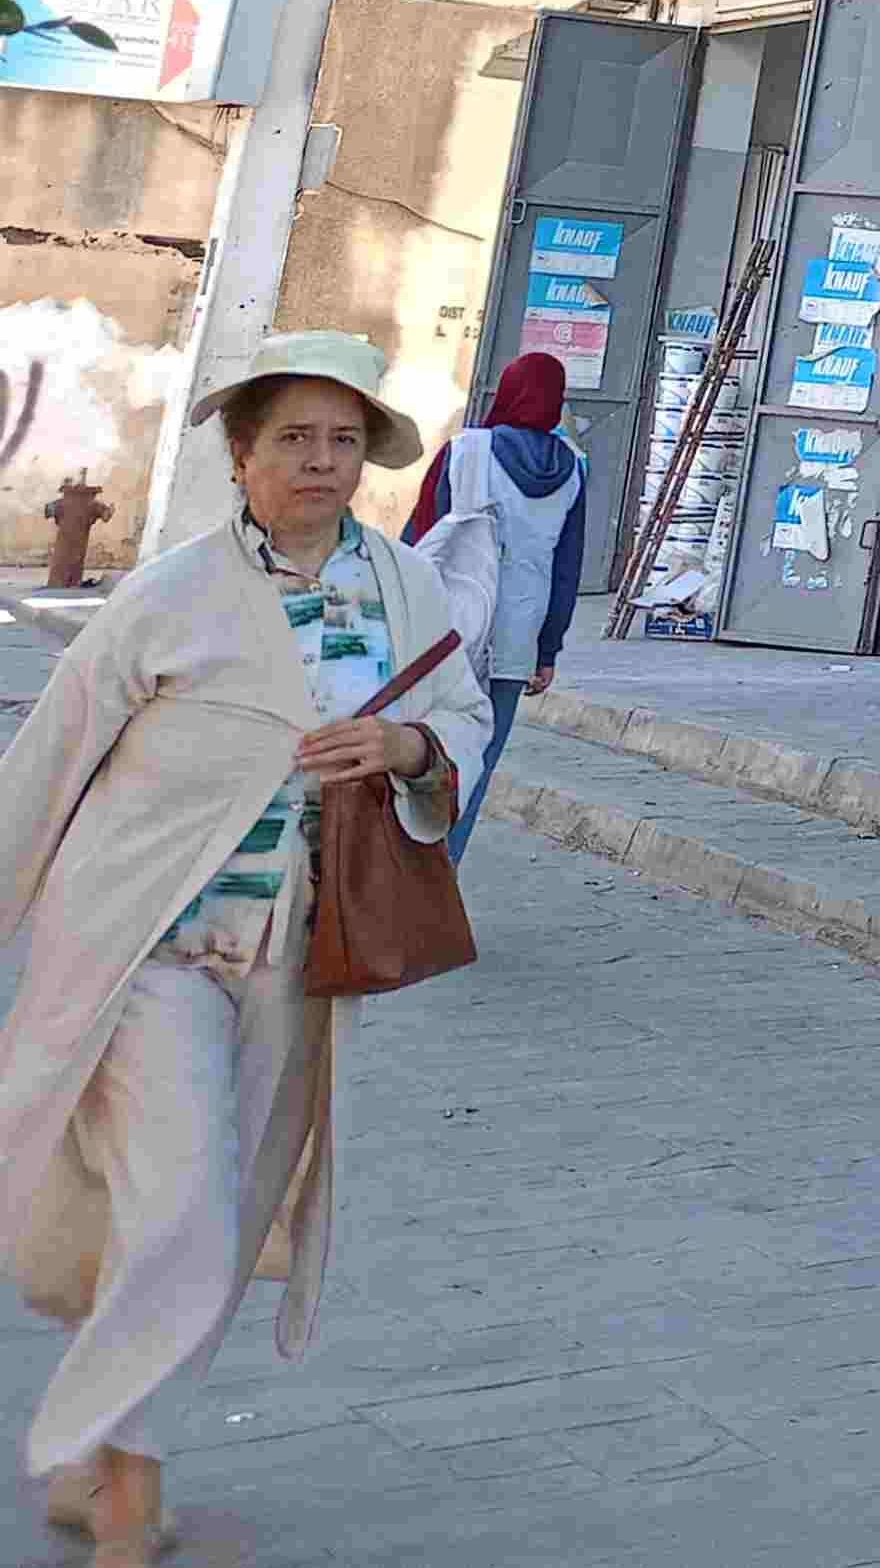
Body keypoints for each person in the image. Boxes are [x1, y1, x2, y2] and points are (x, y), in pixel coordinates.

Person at [0, 332, 482, 1558]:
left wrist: (408, 750)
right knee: (184, 1213)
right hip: (149, 946)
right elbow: (48, 759)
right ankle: (125, 1505)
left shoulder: (405, 587)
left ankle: (105, 1464)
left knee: (230, 1215)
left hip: (300, 956)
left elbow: (458, 717)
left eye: (342, 441)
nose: (321, 462)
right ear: (241, 454)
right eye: (294, 438)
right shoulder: (167, 594)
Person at [402, 348, 589, 863]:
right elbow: (568, 568)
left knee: (420, 750)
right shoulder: (573, 470)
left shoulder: (465, 451)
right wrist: (547, 652)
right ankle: (445, 876)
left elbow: (422, 536)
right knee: (475, 765)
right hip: (516, 638)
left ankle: (406, 875)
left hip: (449, 628)